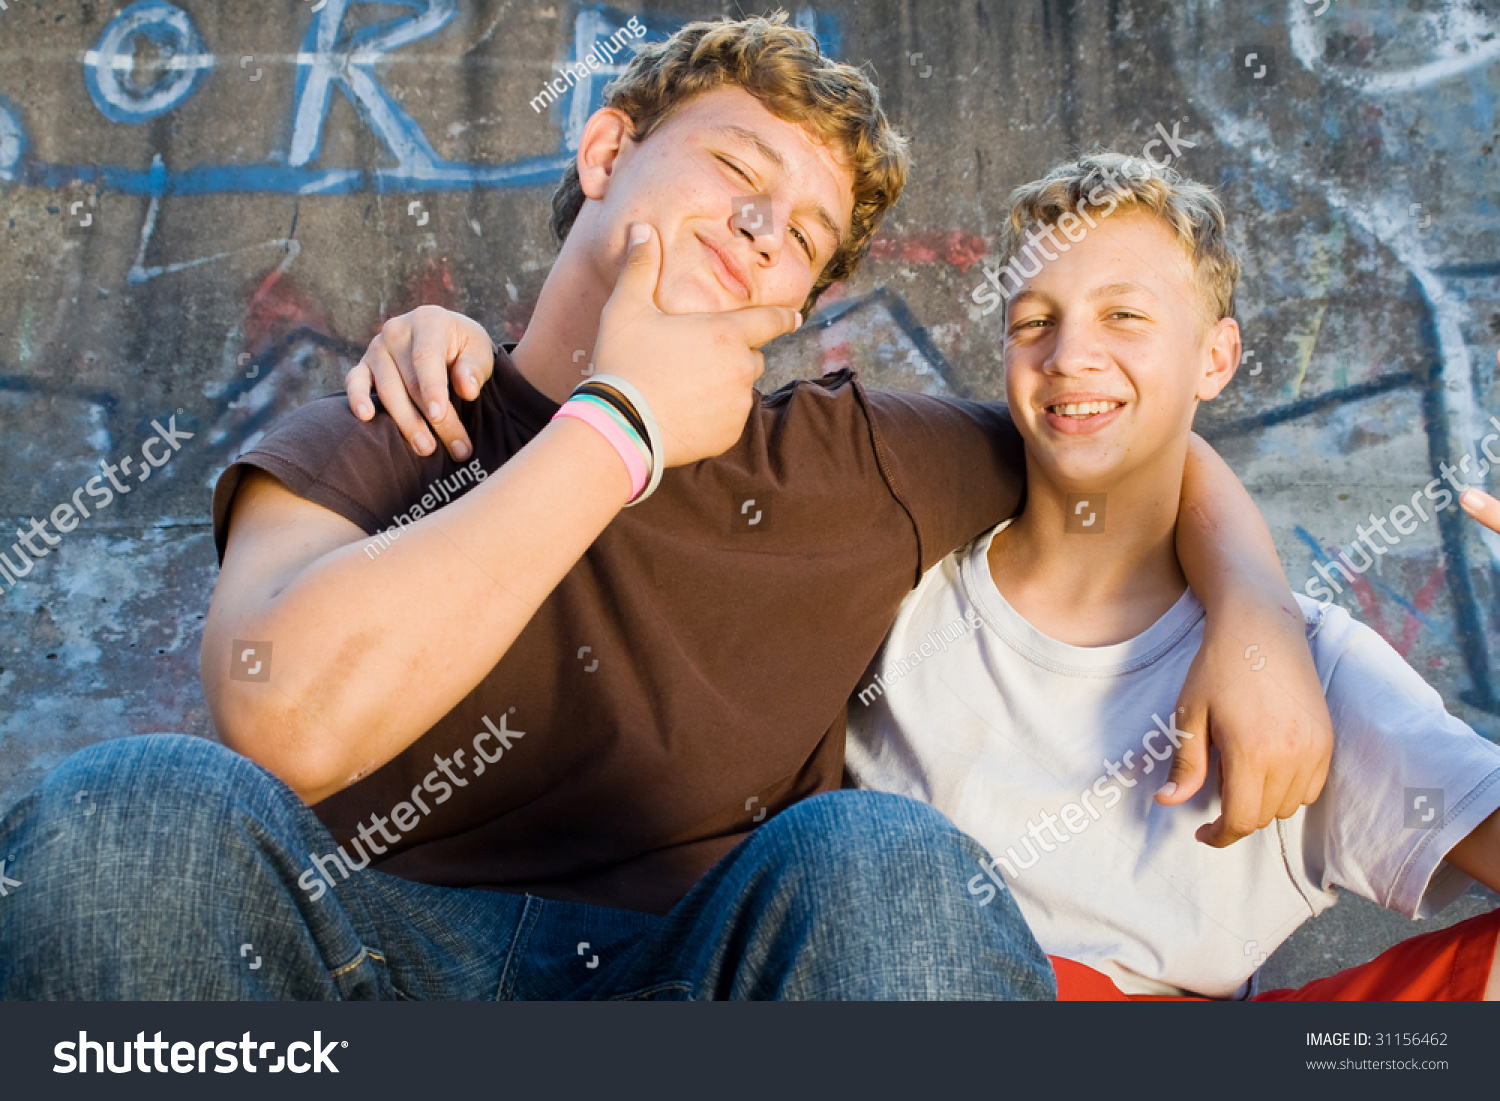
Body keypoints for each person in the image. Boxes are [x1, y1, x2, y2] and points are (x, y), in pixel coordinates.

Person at [0, 15, 1327, 1002]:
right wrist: (616, 427)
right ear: (608, 150)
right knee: (132, 810)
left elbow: (1117, 442)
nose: (763, 226)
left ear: (799, 305)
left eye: (805, 234)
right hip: (362, 965)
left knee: (883, 858)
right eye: (735, 171)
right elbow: (279, 718)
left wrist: (1257, 618)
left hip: (701, 980)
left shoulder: (854, 459)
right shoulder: (394, 416)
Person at [844, 152, 1500, 1000]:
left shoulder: (1312, 669)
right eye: (1034, 321)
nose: (1071, 354)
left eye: (1123, 315)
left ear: (1215, 358)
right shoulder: (899, 591)